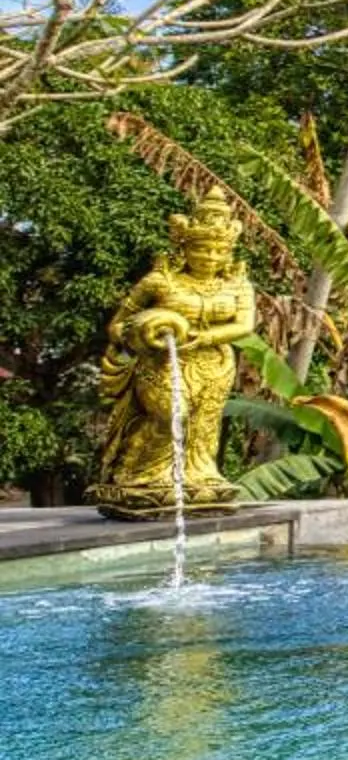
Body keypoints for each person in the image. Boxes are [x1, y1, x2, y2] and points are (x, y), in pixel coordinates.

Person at [91, 189, 255, 518]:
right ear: (184, 247)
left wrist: (205, 336)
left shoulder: (237, 285)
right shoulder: (160, 282)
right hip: (163, 362)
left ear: (227, 254)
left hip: (215, 364)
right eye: (201, 249)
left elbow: (244, 325)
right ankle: (136, 475)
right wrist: (143, 330)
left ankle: (197, 478)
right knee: (170, 415)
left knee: (205, 424)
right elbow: (117, 325)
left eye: (217, 251)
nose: (209, 257)